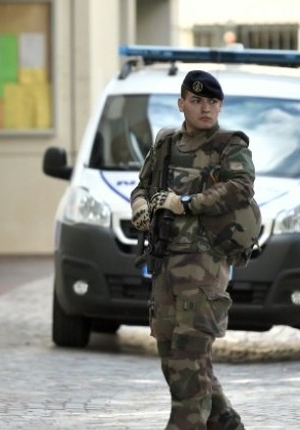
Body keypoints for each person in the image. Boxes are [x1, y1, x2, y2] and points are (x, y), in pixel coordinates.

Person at [130, 70, 254, 430]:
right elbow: (142, 186)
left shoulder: (230, 144)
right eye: (197, 101)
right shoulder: (166, 143)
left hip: (204, 268)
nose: (205, 108)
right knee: (174, 359)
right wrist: (140, 207)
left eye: (213, 102)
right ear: (181, 103)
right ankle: (226, 423)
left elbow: (241, 187)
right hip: (166, 265)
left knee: (188, 361)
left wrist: (186, 202)